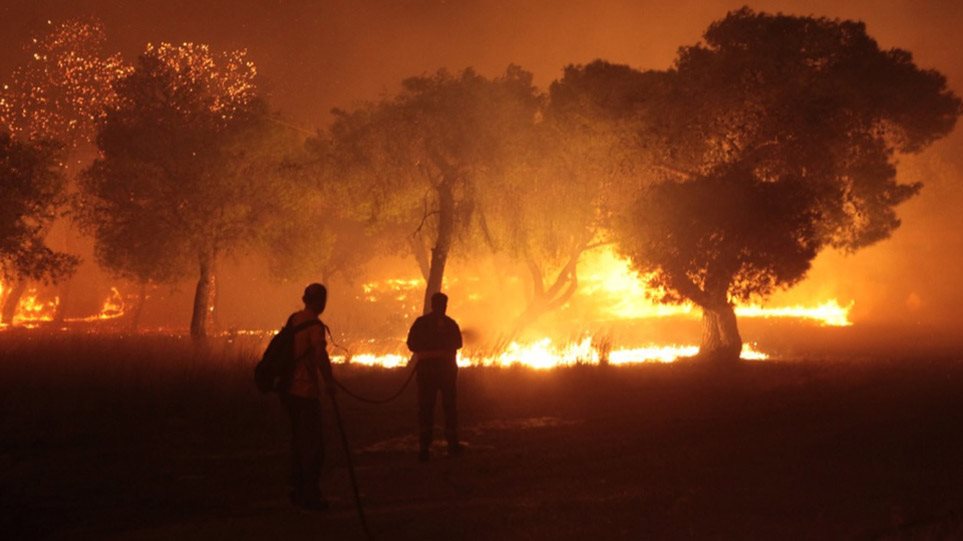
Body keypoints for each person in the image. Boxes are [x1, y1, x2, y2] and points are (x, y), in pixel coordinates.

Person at [280, 283, 336, 510]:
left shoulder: (294, 319)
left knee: (296, 442)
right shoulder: (315, 326)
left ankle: (296, 490)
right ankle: (311, 495)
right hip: (306, 391)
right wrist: (329, 382)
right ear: (320, 301)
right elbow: (320, 356)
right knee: (314, 445)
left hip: (289, 391)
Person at [406, 292, 464, 462]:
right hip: (444, 373)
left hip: (428, 372)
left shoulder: (421, 323)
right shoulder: (450, 324)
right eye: (442, 305)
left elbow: (411, 344)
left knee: (427, 408)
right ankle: (450, 445)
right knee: (447, 407)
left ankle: (426, 448)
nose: (443, 308)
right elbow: (458, 344)